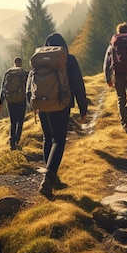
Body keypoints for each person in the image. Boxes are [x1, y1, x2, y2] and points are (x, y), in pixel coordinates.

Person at [28, 33, 88, 198]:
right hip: (61, 105)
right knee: (58, 140)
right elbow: (78, 84)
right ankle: (49, 177)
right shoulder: (68, 59)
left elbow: (30, 81)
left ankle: (50, 175)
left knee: (48, 138)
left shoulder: (39, 61)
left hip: (42, 105)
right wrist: (83, 109)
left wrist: (32, 103)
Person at [0, 57, 28, 150]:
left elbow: (3, 88)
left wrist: (0, 103)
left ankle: (11, 141)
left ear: (14, 63)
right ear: (21, 63)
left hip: (10, 100)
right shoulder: (24, 73)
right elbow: (29, 88)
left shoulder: (8, 73)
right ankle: (17, 139)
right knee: (20, 121)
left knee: (13, 121)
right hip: (21, 100)